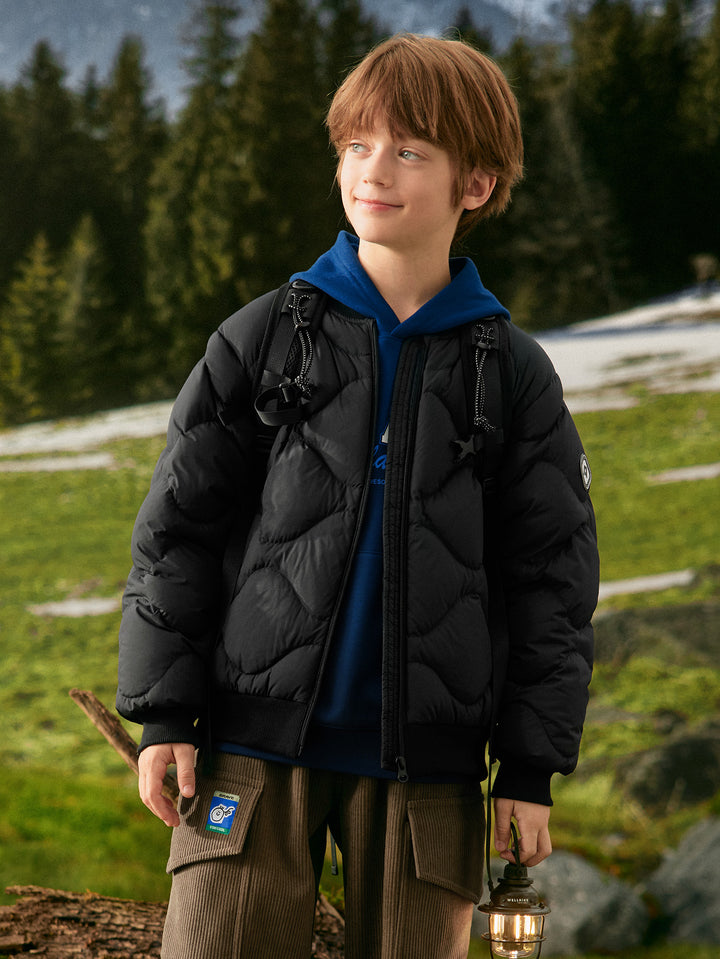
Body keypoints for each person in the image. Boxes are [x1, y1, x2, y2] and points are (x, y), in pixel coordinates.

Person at [117, 33, 599, 959]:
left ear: (476, 184)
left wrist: (530, 768)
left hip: (431, 777)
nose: (373, 170)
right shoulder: (264, 336)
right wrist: (165, 714)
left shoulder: (513, 374)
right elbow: (176, 532)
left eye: (410, 150)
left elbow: (553, 583)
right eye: (356, 144)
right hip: (249, 755)